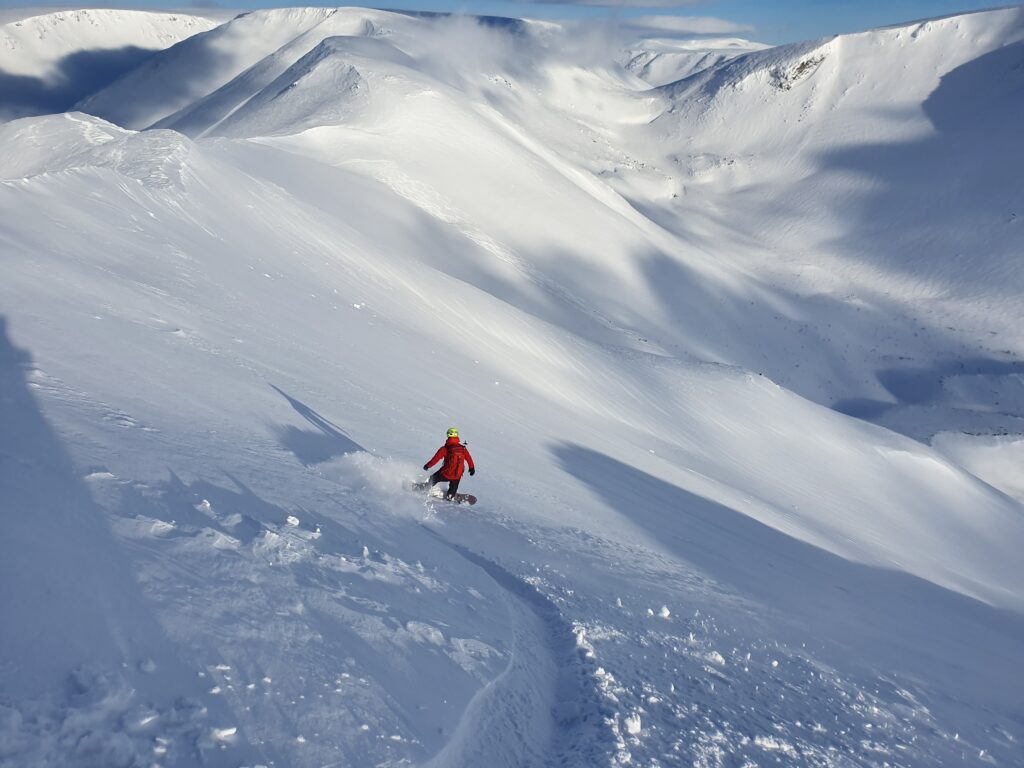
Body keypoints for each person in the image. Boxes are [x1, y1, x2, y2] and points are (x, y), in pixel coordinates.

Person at [422, 427, 475, 500]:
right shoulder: (463, 448)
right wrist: (472, 468)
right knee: (454, 484)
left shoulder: (445, 448)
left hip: (446, 473)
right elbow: (469, 458)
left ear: (448, 435)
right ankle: (451, 495)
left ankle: (425, 488)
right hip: (457, 475)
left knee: (433, 478)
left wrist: (427, 465)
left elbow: (435, 459)